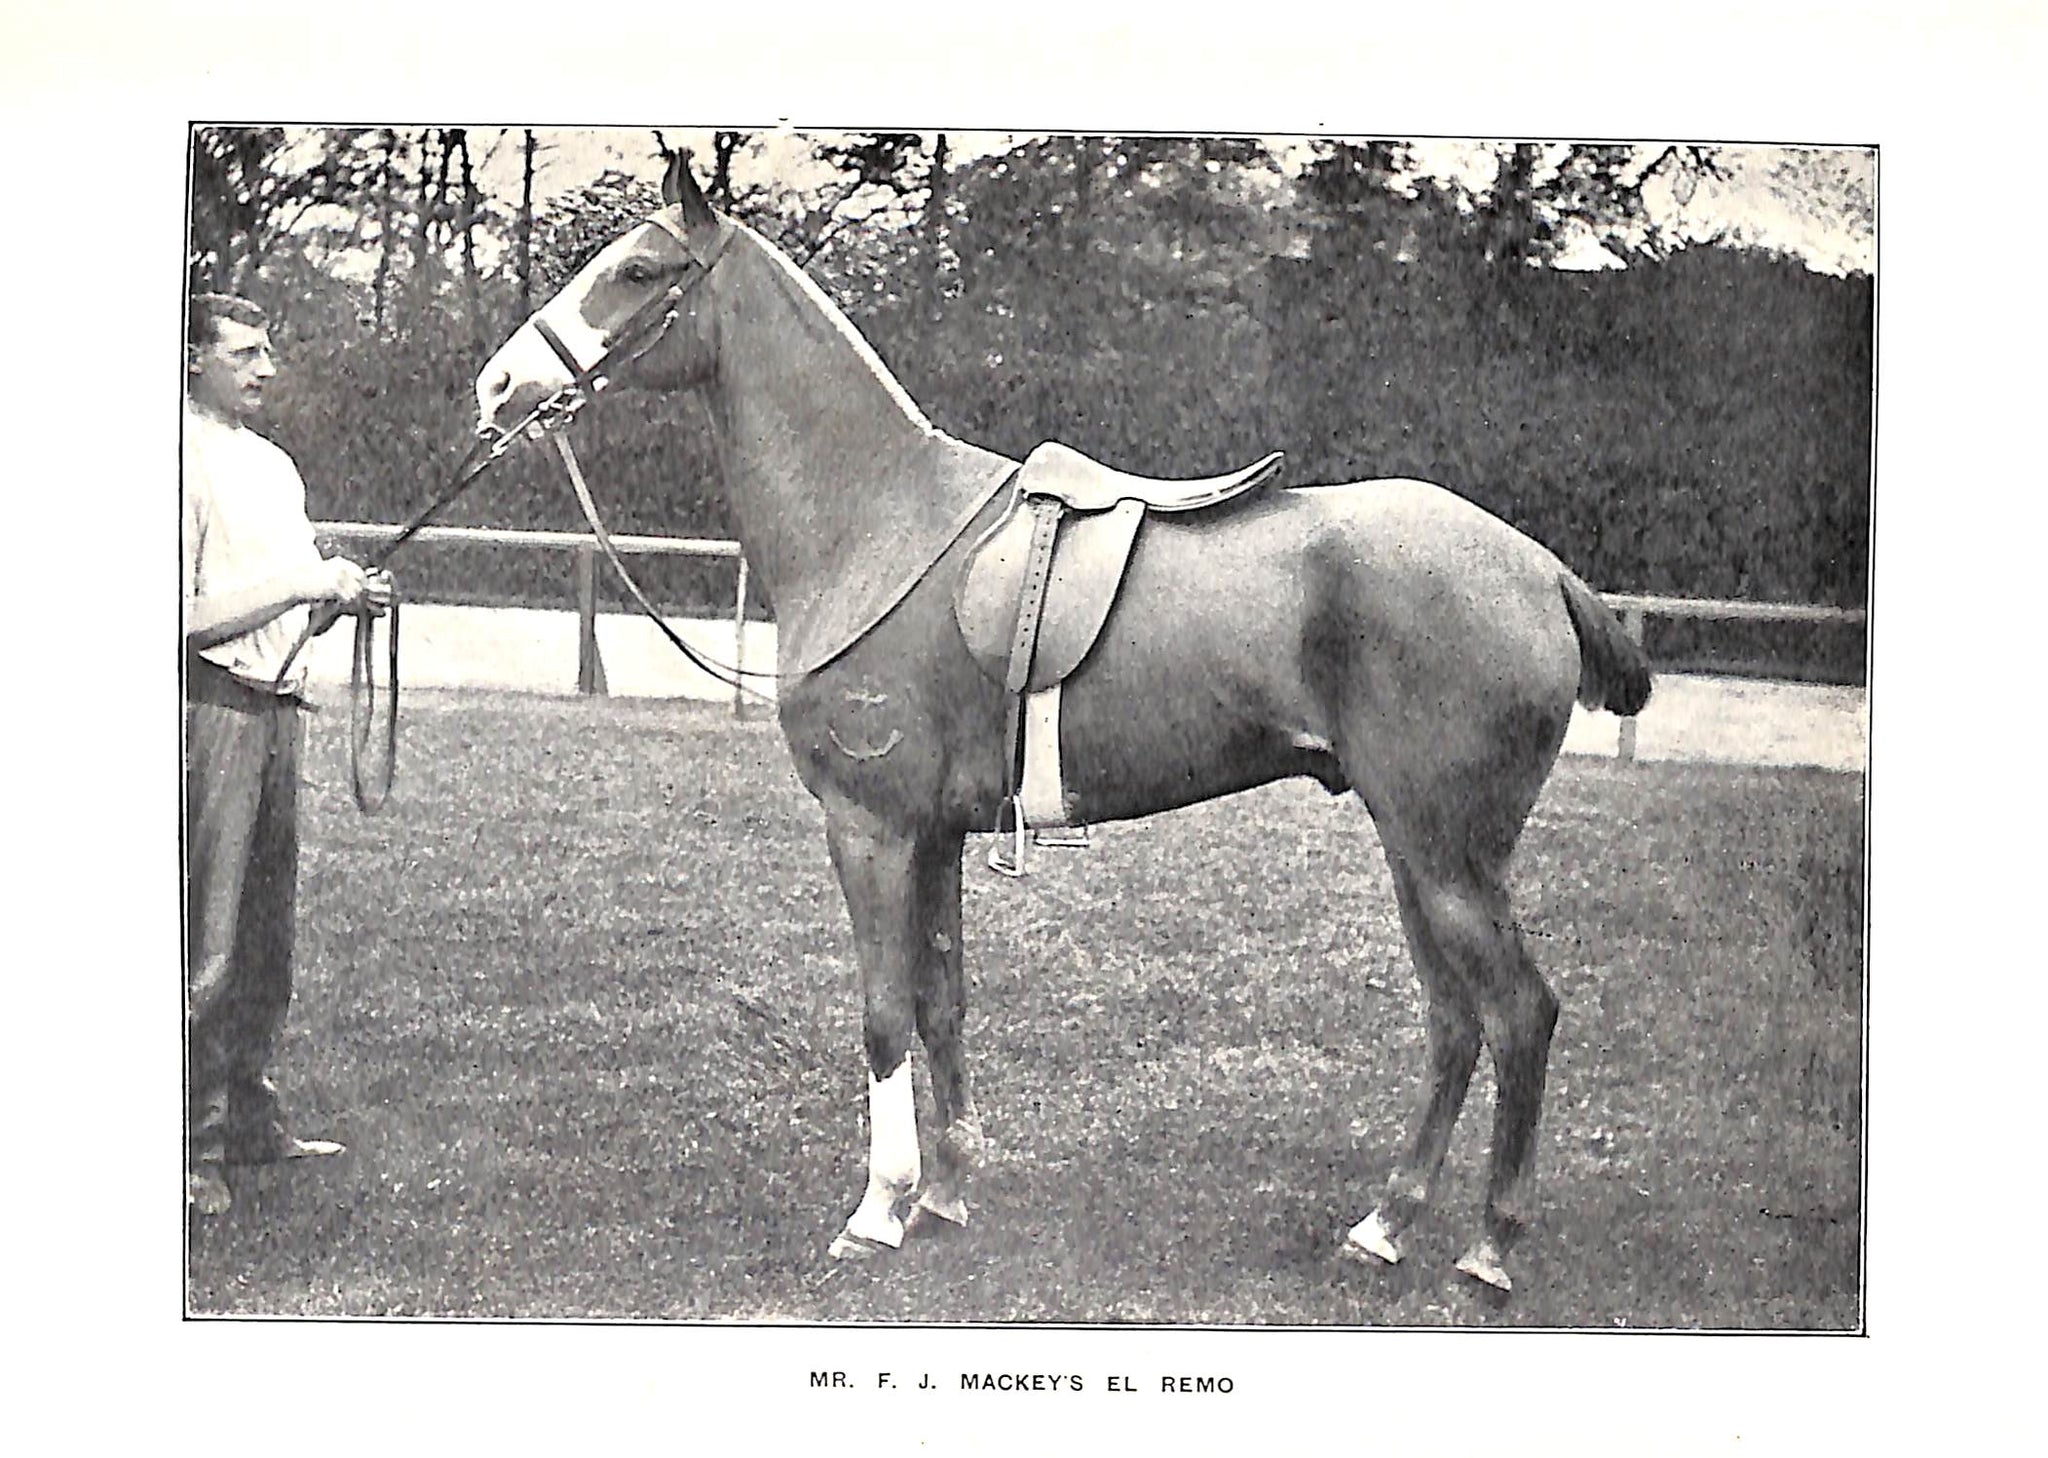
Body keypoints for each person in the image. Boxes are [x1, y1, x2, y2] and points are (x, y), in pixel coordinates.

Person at [184, 292, 392, 1215]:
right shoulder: (173, 459)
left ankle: (250, 1120)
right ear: (194, 361)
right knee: (207, 941)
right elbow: (180, 619)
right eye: (245, 353)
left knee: (268, 940)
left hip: (279, 709)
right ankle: (188, 1146)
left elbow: (286, 606)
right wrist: (305, 580)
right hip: (210, 710)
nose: (266, 368)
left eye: (268, 351)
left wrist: (339, 600)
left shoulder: (273, 466)